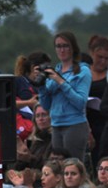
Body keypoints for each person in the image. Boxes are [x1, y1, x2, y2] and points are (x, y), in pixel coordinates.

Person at [38, 31, 92, 162]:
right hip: (56, 124)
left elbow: (80, 103)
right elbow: (46, 105)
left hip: (75, 124)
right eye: (58, 46)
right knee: (57, 167)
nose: (61, 50)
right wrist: (40, 85)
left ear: (73, 47)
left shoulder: (83, 71)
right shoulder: (54, 71)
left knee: (72, 166)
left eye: (65, 46)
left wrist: (61, 82)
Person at [85, 35, 108, 164]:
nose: (103, 61)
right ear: (91, 54)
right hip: (87, 121)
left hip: (107, 122)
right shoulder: (81, 73)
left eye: (106, 58)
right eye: (99, 57)